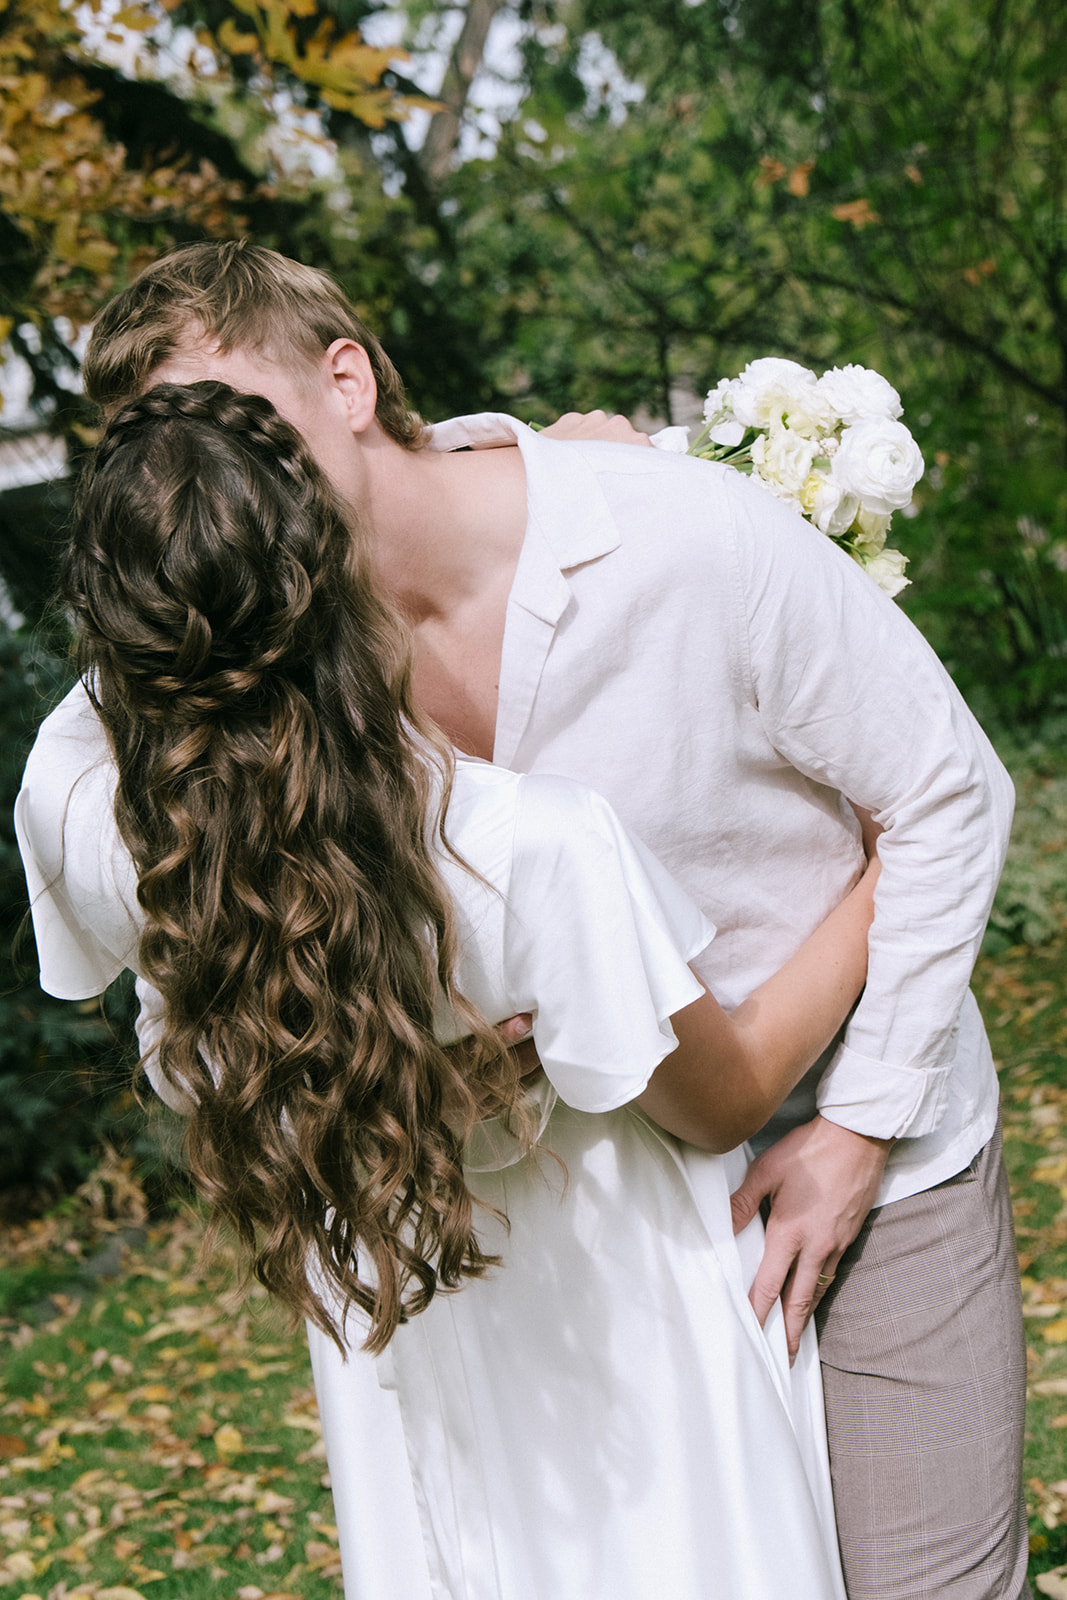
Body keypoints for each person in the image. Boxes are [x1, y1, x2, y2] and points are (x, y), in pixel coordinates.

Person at [65, 239, 1023, 1600]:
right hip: (599, 1233)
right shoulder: (253, 676)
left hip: (849, 1145)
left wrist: (861, 1128)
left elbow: (946, 790)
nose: (217, 482)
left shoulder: (685, 541)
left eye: (238, 425)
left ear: (347, 378)